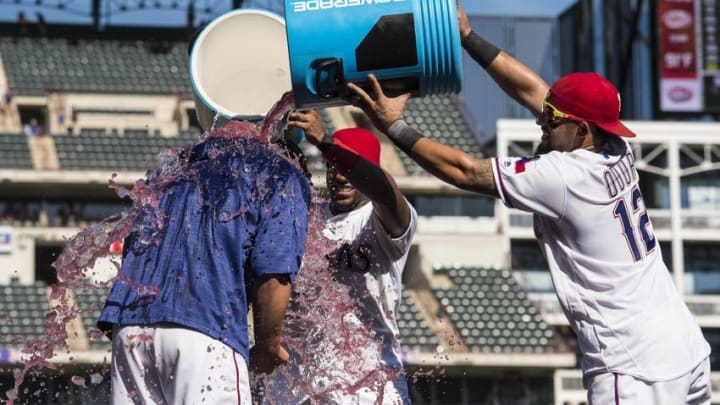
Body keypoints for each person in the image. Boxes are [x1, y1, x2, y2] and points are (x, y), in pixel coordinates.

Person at [345, 4, 711, 404]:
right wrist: (469, 38)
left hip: (634, 363)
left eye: (553, 119)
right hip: (683, 346)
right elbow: (537, 93)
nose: (543, 122)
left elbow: (464, 171)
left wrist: (392, 125)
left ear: (583, 129)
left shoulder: (562, 175)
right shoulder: (616, 147)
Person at [97, 120, 312, 404]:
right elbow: (274, 273)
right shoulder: (280, 175)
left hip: (130, 331)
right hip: (204, 334)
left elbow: (134, 249)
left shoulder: (172, 169)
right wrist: (267, 347)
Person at [264, 110, 418, 404]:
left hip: (368, 386)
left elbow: (386, 194)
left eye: (348, 165)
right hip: (300, 388)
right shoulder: (305, 217)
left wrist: (324, 143)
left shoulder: (381, 220)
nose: (339, 174)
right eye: (333, 165)